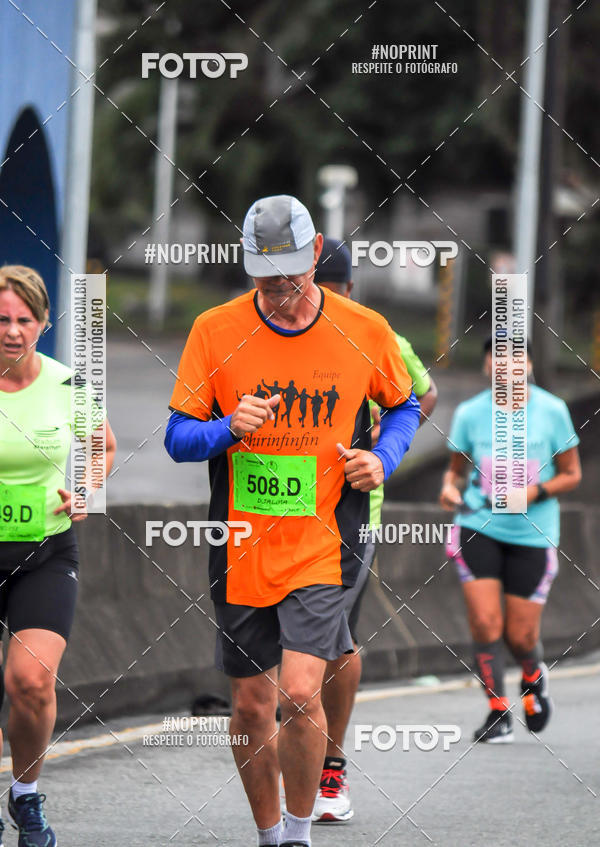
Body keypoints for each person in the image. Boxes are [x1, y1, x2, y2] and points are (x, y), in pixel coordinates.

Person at [165, 195, 421, 847]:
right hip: (243, 544)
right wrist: (227, 428)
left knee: (302, 693)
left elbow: (405, 405)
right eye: (264, 280)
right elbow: (176, 435)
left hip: (323, 540)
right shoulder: (214, 330)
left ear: (314, 256)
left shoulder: (363, 328)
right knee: (252, 704)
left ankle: (301, 834)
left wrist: (381, 458)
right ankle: (270, 834)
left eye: (290, 278)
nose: (278, 292)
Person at [311, 237, 438, 823]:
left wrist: (383, 447)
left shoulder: (374, 330)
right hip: (275, 512)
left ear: (350, 291)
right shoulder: (264, 325)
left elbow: (421, 394)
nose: (320, 302)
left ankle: (331, 766)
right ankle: (295, 744)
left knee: (335, 636)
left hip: (354, 508)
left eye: (332, 292)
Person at [0, 265, 116, 846]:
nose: (12, 330)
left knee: (31, 681)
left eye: (24, 319)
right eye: (2, 318)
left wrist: (87, 489)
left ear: (43, 325)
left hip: (44, 550)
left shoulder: (68, 386)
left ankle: (25, 793)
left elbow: (103, 448)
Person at [439, 336, 581, 743]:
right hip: (478, 526)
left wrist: (532, 494)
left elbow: (572, 474)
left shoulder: (553, 411)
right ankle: (497, 711)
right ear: (486, 367)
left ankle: (533, 676)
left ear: (529, 367)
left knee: (520, 636)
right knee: (485, 622)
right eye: (497, 361)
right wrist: (450, 489)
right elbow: (455, 472)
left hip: (533, 535)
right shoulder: (469, 413)